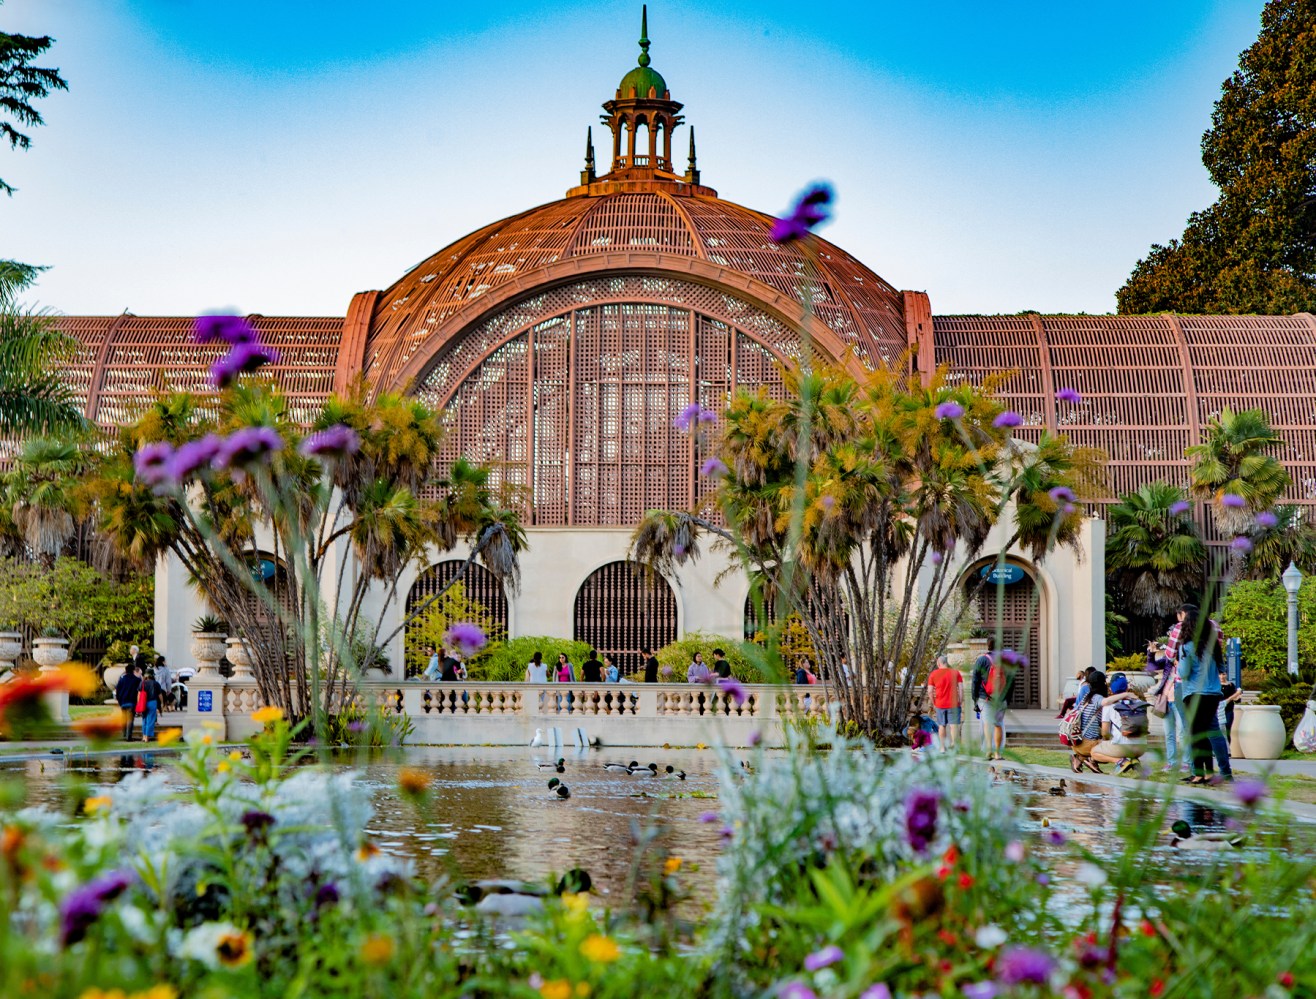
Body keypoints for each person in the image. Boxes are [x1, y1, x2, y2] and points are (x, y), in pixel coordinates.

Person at [1176, 607, 1232, 785]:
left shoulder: (1186, 647)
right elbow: (1222, 668)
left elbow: (1184, 673)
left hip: (1194, 693)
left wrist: (1178, 663)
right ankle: (1210, 773)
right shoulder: (1213, 645)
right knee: (1207, 733)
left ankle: (1198, 773)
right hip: (1213, 694)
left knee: (1194, 734)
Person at [1090, 672, 1148, 773]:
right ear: (1127, 687)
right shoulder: (1138, 702)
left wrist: (1107, 740)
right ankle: (1134, 760)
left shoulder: (1109, 706)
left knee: (1094, 752)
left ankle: (1120, 761)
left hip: (1122, 747)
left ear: (1111, 688)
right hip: (1141, 748)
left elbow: (1105, 732)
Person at [1147, 639, 1189, 774]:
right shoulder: (1167, 662)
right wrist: (1151, 653)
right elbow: (1151, 667)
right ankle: (1172, 763)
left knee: (1182, 733)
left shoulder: (1187, 663)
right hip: (1166, 702)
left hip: (1180, 701)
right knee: (1169, 734)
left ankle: (1187, 763)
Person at [1068, 669, 1108, 773]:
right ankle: (1091, 759)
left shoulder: (1086, 697)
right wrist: (1125, 695)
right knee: (1112, 749)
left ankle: (1079, 759)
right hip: (1087, 744)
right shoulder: (1098, 699)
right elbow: (1106, 702)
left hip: (1076, 741)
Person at [925, 654, 963, 750]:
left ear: (938, 663)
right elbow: (961, 689)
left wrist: (934, 702)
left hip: (940, 703)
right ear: (946, 663)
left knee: (942, 725)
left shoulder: (933, 674)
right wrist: (960, 700)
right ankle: (954, 744)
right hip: (954, 703)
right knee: (953, 725)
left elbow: (929, 691)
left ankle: (942, 747)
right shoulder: (956, 673)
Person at [114, 663, 142, 741]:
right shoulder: (137, 680)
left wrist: (119, 700)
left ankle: (124, 734)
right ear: (133, 670)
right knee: (130, 720)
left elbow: (118, 690)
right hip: (132, 702)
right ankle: (128, 736)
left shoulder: (122, 679)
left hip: (123, 702)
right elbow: (139, 691)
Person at [140, 668, 165, 742]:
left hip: (143, 702)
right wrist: (162, 702)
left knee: (144, 719)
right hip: (152, 702)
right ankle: (147, 737)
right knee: (151, 719)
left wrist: (139, 702)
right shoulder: (156, 683)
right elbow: (160, 694)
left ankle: (144, 736)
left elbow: (139, 694)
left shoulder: (142, 683)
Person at [1218, 667, 1242, 740]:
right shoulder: (1215, 685)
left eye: (1223, 674)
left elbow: (1236, 699)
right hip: (1218, 710)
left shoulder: (1231, 685)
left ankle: (1228, 747)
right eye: (1220, 674)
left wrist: (1237, 697)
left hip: (1228, 710)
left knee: (1227, 727)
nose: (1222, 676)